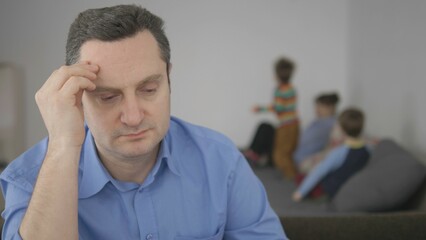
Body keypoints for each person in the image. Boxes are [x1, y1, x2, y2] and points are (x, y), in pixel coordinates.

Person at [0, 5, 287, 239]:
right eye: (109, 96)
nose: (134, 116)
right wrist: (63, 145)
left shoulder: (221, 160)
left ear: (169, 79)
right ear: (79, 98)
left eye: (148, 90)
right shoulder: (29, 179)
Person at [292, 108, 370, 202]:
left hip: (332, 188)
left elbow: (319, 171)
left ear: (341, 129)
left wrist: (300, 193)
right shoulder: (367, 149)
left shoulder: (339, 152)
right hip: (351, 186)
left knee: (301, 177)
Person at [249, 57, 299, 179]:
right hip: (294, 124)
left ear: (277, 74)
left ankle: (291, 176)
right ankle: (291, 174)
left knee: (280, 153)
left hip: (285, 126)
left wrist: (260, 109)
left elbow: (279, 107)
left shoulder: (280, 90)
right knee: (287, 151)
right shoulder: (292, 89)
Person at [293, 93, 340, 166]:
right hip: (299, 158)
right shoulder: (317, 121)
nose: (317, 109)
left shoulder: (333, 124)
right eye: (316, 106)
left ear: (330, 108)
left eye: (320, 106)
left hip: (308, 160)